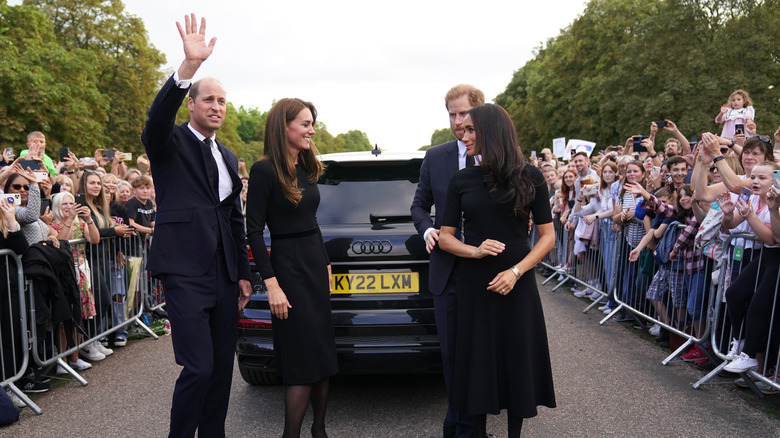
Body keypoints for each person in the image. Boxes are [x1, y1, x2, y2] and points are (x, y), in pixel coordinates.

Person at [140, 14, 251, 438]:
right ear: (192, 103)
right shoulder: (169, 144)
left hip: (224, 276)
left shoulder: (226, 156)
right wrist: (188, 69)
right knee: (198, 367)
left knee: (223, 369)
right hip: (185, 273)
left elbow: (233, 218)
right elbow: (155, 120)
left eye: (222, 101)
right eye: (209, 100)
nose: (217, 107)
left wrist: (242, 274)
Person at [438, 103, 556, 438]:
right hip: (475, 287)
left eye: (472, 129)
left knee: (516, 360)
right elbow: (446, 238)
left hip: (516, 285)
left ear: (492, 132)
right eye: (463, 129)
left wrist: (516, 272)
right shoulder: (462, 180)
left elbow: (548, 237)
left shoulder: (530, 176)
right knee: (477, 366)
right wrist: (473, 250)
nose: (464, 134)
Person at [245, 97, 337, 438]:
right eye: (305, 123)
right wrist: (272, 284)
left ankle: (320, 429)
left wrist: (326, 263)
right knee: (301, 361)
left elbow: (312, 222)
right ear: (284, 126)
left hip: (314, 265)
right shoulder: (264, 170)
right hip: (288, 268)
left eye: (312, 123)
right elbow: (253, 231)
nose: (311, 129)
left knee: (323, 354)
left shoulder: (307, 167)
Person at [410, 83, 485, 438]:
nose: (457, 122)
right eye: (452, 115)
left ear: (479, 113)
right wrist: (426, 229)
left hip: (487, 268)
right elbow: (419, 204)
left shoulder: (497, 155)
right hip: (447, 270)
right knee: (453, 353)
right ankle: (458, 421)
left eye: (463, 114)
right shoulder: (435, 156)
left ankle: (469, 424)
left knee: (482, 353)